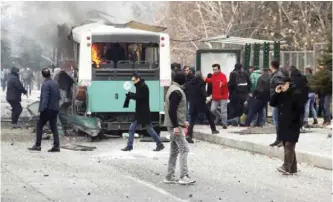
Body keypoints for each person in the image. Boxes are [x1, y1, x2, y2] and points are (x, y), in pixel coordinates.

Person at [164, 70, 196, 185]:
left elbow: (176, 110)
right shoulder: (177, 91)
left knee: (174, 150)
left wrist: (183, 122)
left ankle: (169, 176)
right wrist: (177, 126)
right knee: (184, 149)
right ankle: (184, 176)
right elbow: (172, 110)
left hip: (173, 124)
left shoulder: (172, 89)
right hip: (174, 126)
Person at [121, 73, 164, 151]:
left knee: (149, 129)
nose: (133, 82)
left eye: (134, 80)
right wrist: (131, 95)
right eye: (132, 80)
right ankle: (129, 145)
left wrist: (131, 95)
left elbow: (140, 97)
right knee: (132, 128)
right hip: (139, 112)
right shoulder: (139, 86)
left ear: (138, 79)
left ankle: (159, 144)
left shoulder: (143, 86)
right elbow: (139, 96)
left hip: (143, 112)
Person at [270, 76, 303, 175]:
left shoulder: (296, 93)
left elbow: (300, 110)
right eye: (280, 84)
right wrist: (276, 93)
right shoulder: (281, 94)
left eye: (283, 84)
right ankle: (293, 168)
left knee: (289, 144)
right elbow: (272, 103)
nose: (282, 86)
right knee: (287, 144)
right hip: (283, 123)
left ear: (289, 84)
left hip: (293, 124)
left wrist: (295, 120)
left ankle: (286, 166)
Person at [28, 68, 61, 152]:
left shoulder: (45, 84)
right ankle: (56, 146)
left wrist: (42, 109)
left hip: (47, 109)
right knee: (54, 127)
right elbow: (58, 97)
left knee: (39, 125)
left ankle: (37, 145)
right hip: (55, 108)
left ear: (42, 75)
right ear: (50, 74)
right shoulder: (55, 83)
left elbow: (45, 98)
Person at [186, 71, 218, 143]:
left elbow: (187, 91)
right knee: (209, 115)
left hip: (193, 104)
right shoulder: (201, 82)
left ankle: (189, 135)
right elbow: (203, 90)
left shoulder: (190, 83)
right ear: (201, 76)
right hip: (201, 103)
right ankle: (213, 130)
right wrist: (207, 97)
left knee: (192, 120)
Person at [204, 64, 229, 129]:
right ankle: (220, 117)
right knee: (212, 109)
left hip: (223, 96)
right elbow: (210, 80)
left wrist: (222, 83)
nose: (214, 71)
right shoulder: (213, 76)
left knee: (223, 110)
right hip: (215, 96)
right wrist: (205, 79)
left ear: (219, 69)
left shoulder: (223, 75)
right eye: (213, 69)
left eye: (215, 69)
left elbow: (225, 81)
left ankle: (224, 124)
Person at [269, 60, 284, 147]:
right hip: (276, 101)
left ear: (272, 66)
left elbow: (280, 89)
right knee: (277, 121)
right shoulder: (276, 75)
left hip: (277, 102)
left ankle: (280, 139)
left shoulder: (277, 76)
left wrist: (275, 98)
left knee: (278, 121)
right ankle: (279, 139)